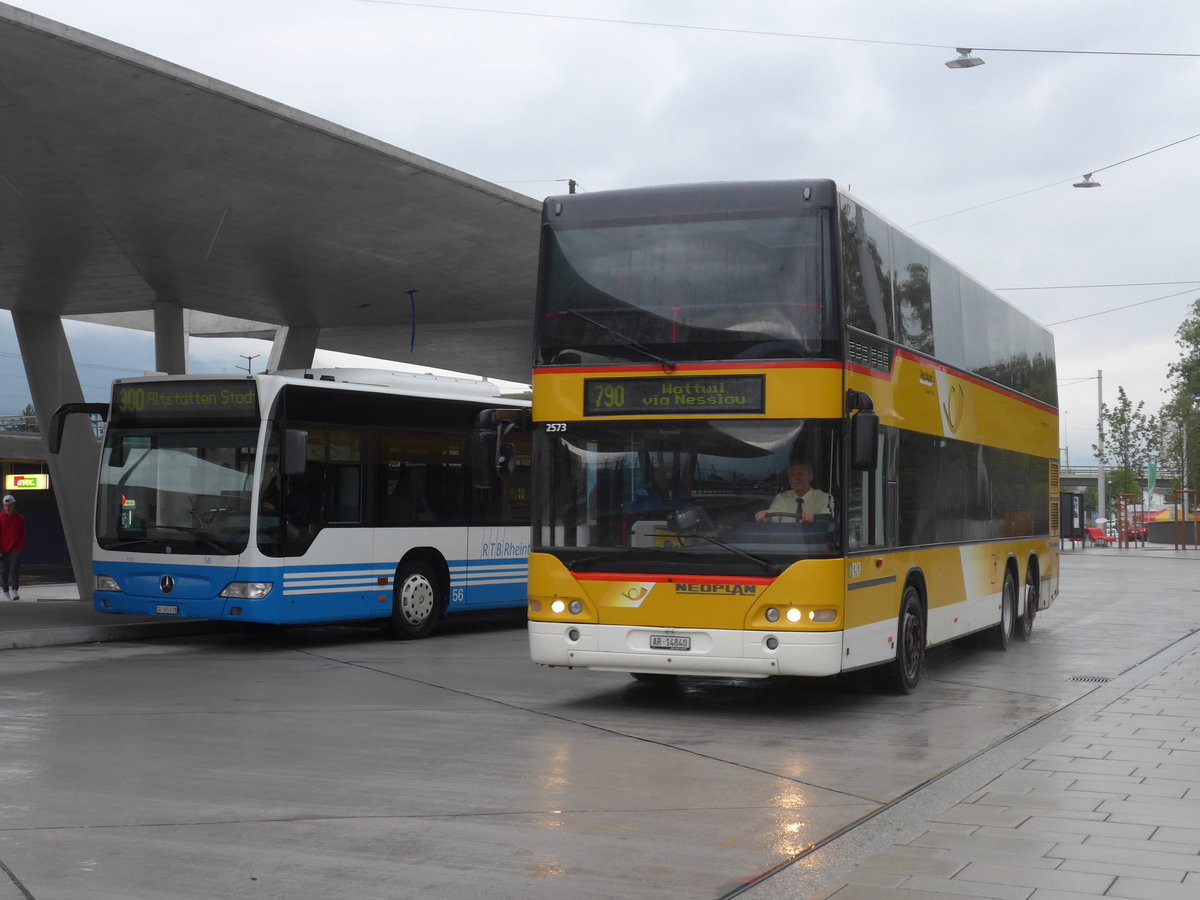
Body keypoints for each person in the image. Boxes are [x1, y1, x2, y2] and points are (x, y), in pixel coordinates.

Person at [756, 462, 833, 523]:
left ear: (810, 476)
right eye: (792, 474)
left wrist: (814, 517)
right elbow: (774, 512)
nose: (796, 479)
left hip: (815, 541)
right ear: (789, 479)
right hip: (786, 541)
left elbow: (828, 516)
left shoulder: (824, 498)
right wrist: (764, 514)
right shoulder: (782, 497)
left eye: (800, 473)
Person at [0, 494, 27, 601]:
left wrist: (22, 547)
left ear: (13, 505)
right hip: (3, 549)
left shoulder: (19, 518)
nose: (8, 508)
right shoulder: (0, 518)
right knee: (4, 571)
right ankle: (6, 591)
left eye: (10, 505)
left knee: (14, 569)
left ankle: (15, 590)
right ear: (3, 505)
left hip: (16, 547)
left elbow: (22, 533)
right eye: (6, 505)